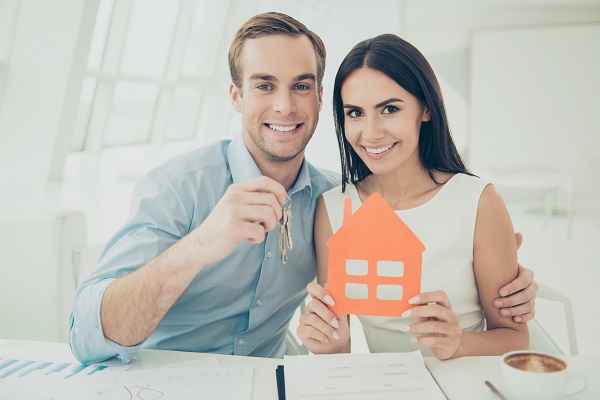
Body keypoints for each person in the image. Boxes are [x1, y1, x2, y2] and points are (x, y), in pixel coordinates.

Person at [69, 13, 536, 364]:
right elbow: (84, 335)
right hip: (155, 380)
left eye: (301, 86)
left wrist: (504, 277)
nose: (284, 105)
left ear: (317, 98)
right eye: (264, 85)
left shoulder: (330, 202)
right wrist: (203, 244)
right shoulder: (178, 188)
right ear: (236, 96)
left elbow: (343, 333)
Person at [297, 33, 529, 360]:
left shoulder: (478, 202)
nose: (371, 132)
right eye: (355, 113)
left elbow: (516, 339)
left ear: (425, 109)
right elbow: (340, 347)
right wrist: (329, 344)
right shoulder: (335, 208)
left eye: (389, 109)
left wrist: (458, 343)